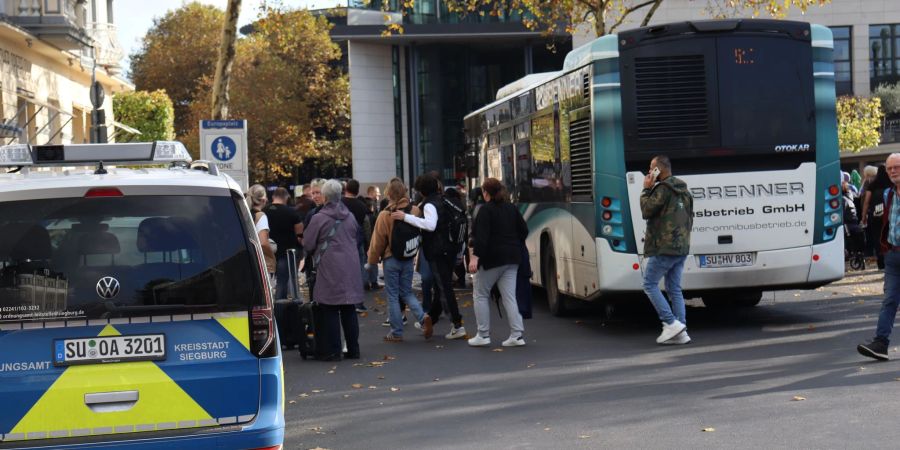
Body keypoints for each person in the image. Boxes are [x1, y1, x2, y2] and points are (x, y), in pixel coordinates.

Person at [394, 175, 467, 340]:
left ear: (421, 191)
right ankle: (429, 320)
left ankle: (457, 324)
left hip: (438, 251)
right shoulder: (444, 200)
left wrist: (406, 217)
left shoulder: (429, 204)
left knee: (444, 288)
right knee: (441, 286)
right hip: (450, 248)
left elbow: (430, 224)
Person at [302, 179, 363, 361]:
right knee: (348, 309)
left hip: (329, 267)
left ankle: (334, 350)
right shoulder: (350, 216)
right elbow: (356, 237)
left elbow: (309, 243)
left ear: (326, 196)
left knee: (329, 309)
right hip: (350, 267)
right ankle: (354, 349)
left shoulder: (319, 218)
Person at [368, 177, 432, 342]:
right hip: (408, 257)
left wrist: (372, 260)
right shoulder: (415, 210)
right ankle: (422, 316)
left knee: (393, 295)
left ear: (388, 193)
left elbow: (378, 242)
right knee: (407, 292)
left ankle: (396, 332)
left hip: (391, 259)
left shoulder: (385, 215)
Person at [467, 178, 528, 347]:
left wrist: (475, 257)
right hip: (513, 257)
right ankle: (517, 334)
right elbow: (524, 230)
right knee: (509, 296)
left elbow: (481, 238)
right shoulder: (511, 208)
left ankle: (483, 334)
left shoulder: (485, 211)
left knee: (480, 293)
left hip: (492, 259)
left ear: (486, 193)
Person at [639, 155, 694, 345]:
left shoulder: (662, 189)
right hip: (681, 246)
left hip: (665, 246)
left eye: (651, 168)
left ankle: (671, 323)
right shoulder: (684, 190)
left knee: (649, 284)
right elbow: (690, 217)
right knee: (673, 288)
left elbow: (646, 210)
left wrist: (646, 189)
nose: (648, 172)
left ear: (658, 170)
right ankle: (681, 331)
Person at [858, 154, 900, 361]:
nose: (893, 171)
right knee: (889, 299)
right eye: (890, 168)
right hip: (893, 254)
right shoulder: (887, 194)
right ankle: (880, 344)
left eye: (897, 167)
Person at [266, 187, 303, 299]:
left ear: (273, 197)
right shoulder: (292, 212)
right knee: (282, 282)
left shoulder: (264, 211)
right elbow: (300, 235)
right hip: (285, 253)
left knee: (266, 283)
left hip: (267, 252)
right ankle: (280, 309)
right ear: (286, 197)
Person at [342, 179, 372, 311]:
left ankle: (344, 300)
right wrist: (369, 243)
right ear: (357, 191)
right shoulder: (361, 206)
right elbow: (366, 225)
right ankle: (358, 301)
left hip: (342, 241)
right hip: (357, 241)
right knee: (359, 269)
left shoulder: (339, 204)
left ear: (346, 188)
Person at [862, 165, 891, 269]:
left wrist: (863, 216)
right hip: (889, 216)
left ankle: (881, 262)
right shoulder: (891, 184)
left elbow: (866, 202)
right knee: (889, 236)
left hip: (875, 216)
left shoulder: (872, 185)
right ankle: (891, 260)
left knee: (877, 238)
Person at [247, 184, 276, 282]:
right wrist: (272, 258)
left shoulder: (245, 214)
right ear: (263, 199)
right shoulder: (260, 215)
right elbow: (263, 242)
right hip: (261, 263)